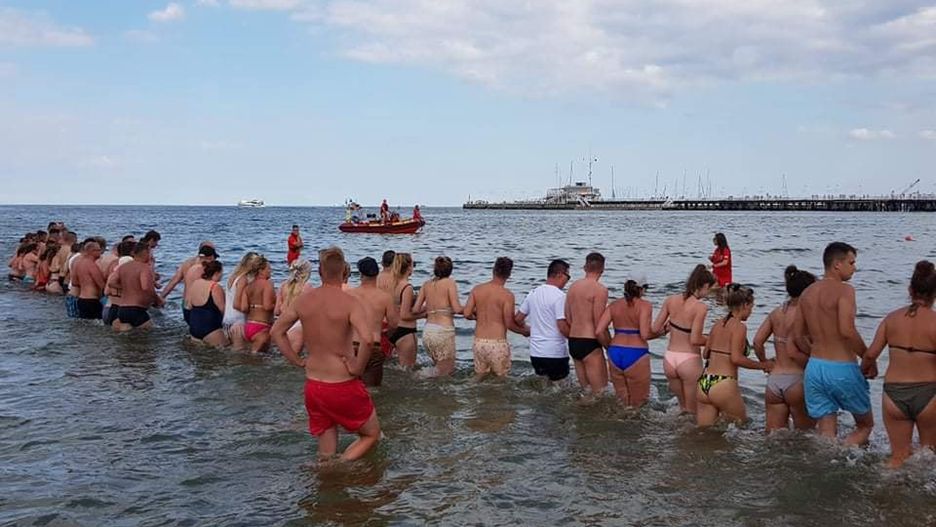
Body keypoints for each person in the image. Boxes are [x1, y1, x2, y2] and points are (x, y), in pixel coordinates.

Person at [270, 246, 380, 462]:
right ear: (345, 272)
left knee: (325, 450)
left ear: (320, 272)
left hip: (313, 386)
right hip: (342, 384)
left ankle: (326, 478)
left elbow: (277, 332)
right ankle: (341, 466)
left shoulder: (304, 300)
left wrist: (295, 359)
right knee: (371, 434)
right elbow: (368, 339)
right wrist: (357, 367)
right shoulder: (350, 303)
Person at [793, 242, 873, 445]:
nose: (854, 267)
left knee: (827, 432)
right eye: (851, 262)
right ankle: (847, 453)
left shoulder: (807, 293)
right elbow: (847, 331)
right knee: (865, 425)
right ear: (837, 264)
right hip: (842, 367)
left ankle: (827, 463)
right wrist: (867, 356)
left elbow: (798, 336)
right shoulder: (845, 290)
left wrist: (815, 352)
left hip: (815, 368)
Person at [860, 261, 936, 467]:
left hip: (894, 394)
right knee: (928, 456)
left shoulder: (891, 319)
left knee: (898, 457)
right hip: (928, 394)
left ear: (910, 290)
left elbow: (870, 355)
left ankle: (885, 492)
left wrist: (864, 371)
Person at [697, 284, 772, 426]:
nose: (751, 312)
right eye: (751, 308)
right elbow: (736, 358)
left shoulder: (718, 324)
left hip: (704, 382)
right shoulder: (739, 327)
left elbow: (705, 354)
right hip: (723, 384)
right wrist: (763, 365)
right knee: (742, 426)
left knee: (703, 434)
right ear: (745, 305)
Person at [753, 266, 817, 432]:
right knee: (806, 436)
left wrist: (765, 363)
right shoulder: (807, 315)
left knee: (773, 437)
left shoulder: (776, 313)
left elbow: (757, 342)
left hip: (774, 382)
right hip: (798, 380)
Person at [652, 264, 716, 414]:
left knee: (682, 409)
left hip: (669, 359)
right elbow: (695, 339)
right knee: (693, 412)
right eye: (709, 289)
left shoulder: (670, 300)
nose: (708, 294)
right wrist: (712, 340)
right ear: (705, 285)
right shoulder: (700, 307)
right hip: (689, 360)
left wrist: (670, 328)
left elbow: (655, 329)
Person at [595, 278, 660, 407]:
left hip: (615, 352)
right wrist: (663, 332)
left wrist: (609, 347)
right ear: (642, 290)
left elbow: (598, 331)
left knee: (622, 403)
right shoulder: (645, 305)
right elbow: (645, 334)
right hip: (636, 353)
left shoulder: (614, 305)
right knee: (639, 403)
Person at [464, 257, 529, 380]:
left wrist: (478, 317)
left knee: (479, 377)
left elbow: (467, 313)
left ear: (493, 270)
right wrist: (524, 332)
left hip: (479, 342)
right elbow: (509, 323)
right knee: (500, 380)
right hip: (497, 344)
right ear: (509, 274)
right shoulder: (507, 295)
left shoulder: (477, 289)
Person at [516, 259, 572, 382]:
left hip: (536, 353)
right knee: (560, 388)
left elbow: (518, 319)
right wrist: (576, 339)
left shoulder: (533, 293)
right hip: (555, 353)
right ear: (559, 274)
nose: (567, 281)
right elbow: (562, 326)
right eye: (568, 277)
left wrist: (529, 330)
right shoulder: (560, 296)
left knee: (543, 385)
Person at [347, 257, 399, 387]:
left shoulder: (350, 294)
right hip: (373, 346)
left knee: (351, 386)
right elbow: (394, 324)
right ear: (377, 274)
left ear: (360, 274)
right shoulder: (385, 297)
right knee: (372, 392)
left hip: (351, 347)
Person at [565, 252, 610, 396]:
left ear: (585, 267)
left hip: (574, 341)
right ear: (602, 269)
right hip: (590, 342)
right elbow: (599, 325)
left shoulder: (573, 287)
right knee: (599, 393)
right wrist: (609, 346)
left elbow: (567, 316)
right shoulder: (600, 290)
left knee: (586, 391)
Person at [414, 256, 463, 376]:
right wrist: (473, 309)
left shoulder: (426, 284)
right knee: (446, 373)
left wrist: (432, 310)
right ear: (450, 270)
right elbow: (457, 309)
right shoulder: (450, 283)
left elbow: (415, 309)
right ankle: (421, 380)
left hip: (428, 332)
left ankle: (423, 380)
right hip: (443, 332)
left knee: (438, 369)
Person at [108, 241, 161, 331]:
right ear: (145, 253)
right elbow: (146, 288)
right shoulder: (144, 267)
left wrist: (126, 288)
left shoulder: (123, 267)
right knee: (149, 336)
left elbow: (111, 283)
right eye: (149, 252)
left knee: (128, 339)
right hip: (136, 309)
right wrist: (157, 300)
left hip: (122, 309)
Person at [388, 253, 422, 368]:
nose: (413, 268)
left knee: (401, 368)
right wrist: (424, 314)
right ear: (408, 267)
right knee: (409, 370)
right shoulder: (407, 287)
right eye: (413, 265)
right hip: (407, 331)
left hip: (396, 330)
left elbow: (399, 307)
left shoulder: (394, 285)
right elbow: (405, 315)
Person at [224, 252, 261, 351]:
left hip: (227, 319)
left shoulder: (232, 277)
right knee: (240, 354)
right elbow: (236, 304)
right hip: (238, 321)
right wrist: (255, 309)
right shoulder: (243, 280)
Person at [275, 259, 314, 355]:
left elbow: (276, 311)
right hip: (298, 326)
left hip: (282, 325)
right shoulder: (307, 287)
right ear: (307, 273)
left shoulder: (283, 285)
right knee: (293, 361)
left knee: (282, 358)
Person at [186, 260, 228, 347]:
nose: (222, 275)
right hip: (210, 327)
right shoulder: (215, 287)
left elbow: (189, 306)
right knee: (224, 353)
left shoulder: (195, 283)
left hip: (194, 326)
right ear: (217, 273)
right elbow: (223, 310)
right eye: (221, 272)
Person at [239, 255, 275, 353]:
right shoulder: (267, 284)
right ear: (260, 270)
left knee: (253, 359)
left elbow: (244, 308)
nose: (270, 271)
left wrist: (255, 306)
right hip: (262, 327)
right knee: (261, 361)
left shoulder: (248, 286)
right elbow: (267, 306)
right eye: (268, 268)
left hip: (248, 327)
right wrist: (277, 306)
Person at [72, 240, 107, 320]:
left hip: (81, 299)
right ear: (92, 251)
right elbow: (101, 285)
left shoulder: (78, 263)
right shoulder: (91, 265)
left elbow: (74, 282)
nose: (101, 252)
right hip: (92, 300)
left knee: (85, 325)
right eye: (98, 250)